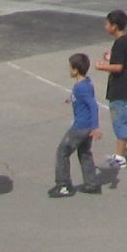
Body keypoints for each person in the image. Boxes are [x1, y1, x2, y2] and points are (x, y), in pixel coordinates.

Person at [49, 52, 100, 197]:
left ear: (75, 70)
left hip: (80, 127)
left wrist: (95, 127)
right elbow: (84, 99)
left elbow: (93, 105)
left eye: (70, 67)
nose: (69, 70)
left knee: (62, 152)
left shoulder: (80, 88)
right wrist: (71, 99)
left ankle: (63, 185)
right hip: (87, 127)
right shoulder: (85, 83)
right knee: (84, 153)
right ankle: (91, 183)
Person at [95, 11, 127, 174]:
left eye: (107, 24)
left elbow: (118, 67)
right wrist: (111, 57)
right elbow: (124, 59)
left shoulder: (120, 43)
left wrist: (102, 66)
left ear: (114, 26)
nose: (105, 26)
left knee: (120, 122)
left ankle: (120, 157)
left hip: (119, 89)